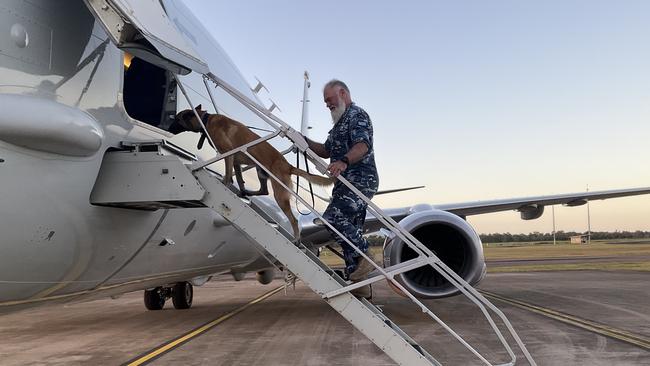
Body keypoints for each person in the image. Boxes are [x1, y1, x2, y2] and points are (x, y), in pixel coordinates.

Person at [304, 79, 379, 286]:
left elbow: (362, 145)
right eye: (325, 101)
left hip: (360, 179)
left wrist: (344, 161)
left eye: (330, 99)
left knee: (332, 219)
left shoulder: (357, 115)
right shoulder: (339, 123)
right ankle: (359, 284)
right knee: (347, 231)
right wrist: (303, 141)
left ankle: (366, 254)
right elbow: (326, 150)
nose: (327, 104)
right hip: (344, 184)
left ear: (343, 93)